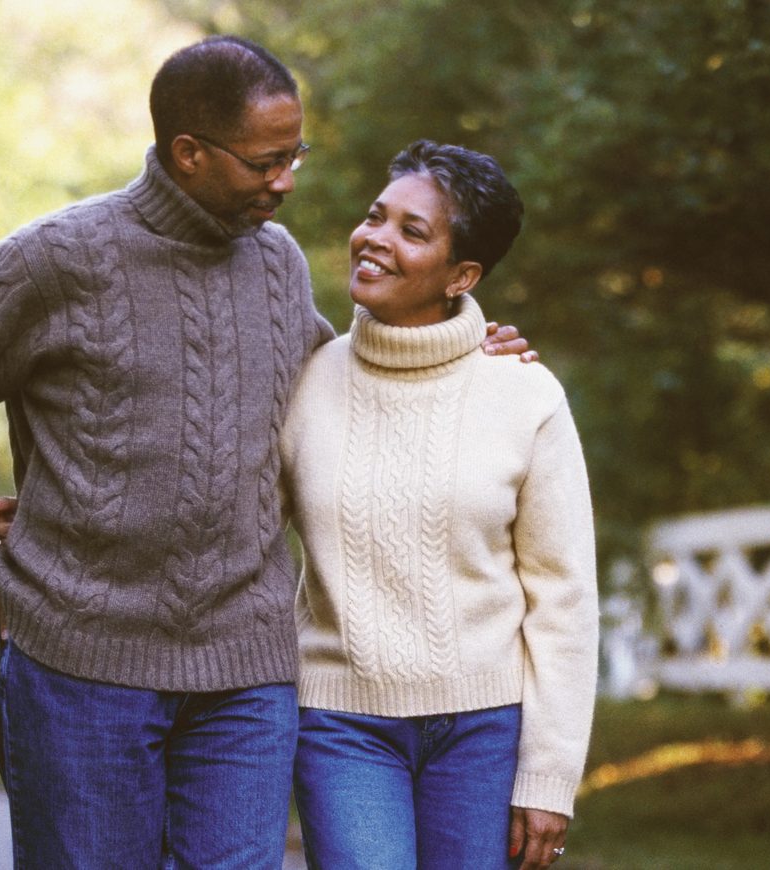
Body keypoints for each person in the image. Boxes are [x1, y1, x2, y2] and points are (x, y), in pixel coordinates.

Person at [0, 37, 530, 868]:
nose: (287, 181)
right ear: (189, 154)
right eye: (266, 161)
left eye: (295, 154)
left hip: (247, 668)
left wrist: (462, 352)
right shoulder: (58, 258)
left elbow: (347, 392)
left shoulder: (279, 265)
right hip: (82, 664)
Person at [281, 141, 597, 870]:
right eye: (376, 217)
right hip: (341, 723)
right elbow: (228, 514)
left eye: (411, 231)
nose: (374, 239)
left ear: (464, 275)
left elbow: (564, 598)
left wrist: (550, 777)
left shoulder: (524, 394)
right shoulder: (306, 380)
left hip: (485, 731)